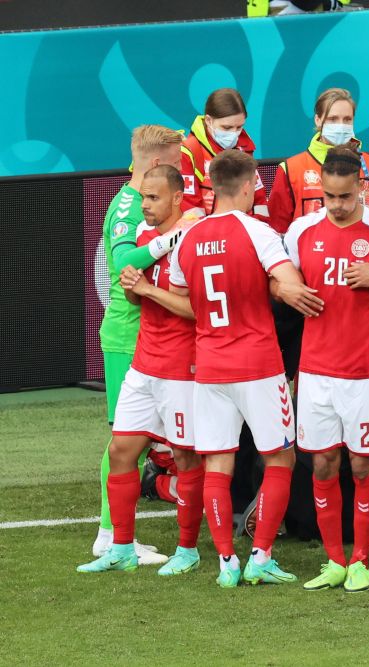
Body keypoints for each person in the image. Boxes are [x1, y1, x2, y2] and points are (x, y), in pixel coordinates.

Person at [168, 150, 320, 588]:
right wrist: (276, 284)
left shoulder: (190, 239)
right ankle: (261, 556)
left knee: (217, 461)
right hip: (258, 364)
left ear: (212, 185)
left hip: (211, 366)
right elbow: (291, 284)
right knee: (280, 457)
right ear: (252, 184)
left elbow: (185, 301)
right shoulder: (259, 232)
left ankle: (225, 563)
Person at [282, 147, 369, 592]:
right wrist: (288, 292)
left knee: (362, 466)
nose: (336, 205)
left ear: (361, 187)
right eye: (328, 196)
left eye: (344, 196)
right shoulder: (301, 230)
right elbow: (276, 276)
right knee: (323, 464)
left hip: (365, 372)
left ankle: (360, 559)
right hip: (317, 371)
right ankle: (333, 561)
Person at [79, 166, 202, 575]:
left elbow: (196, 311)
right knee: (121, 450)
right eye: (144, 197)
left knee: (185, 457)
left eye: (153, 198)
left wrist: (147, 288)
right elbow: (135, 303)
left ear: (177, 199)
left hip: (181, 368)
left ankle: (188, 550)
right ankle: (120, 548)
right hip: (144, 363)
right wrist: (135, 289)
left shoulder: (194, 241)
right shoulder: (146, 241)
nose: (145, 206)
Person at [93, 124, 184, 564]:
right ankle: (110, 536)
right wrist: (172, 238)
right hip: (128, 335)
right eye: (176, 162)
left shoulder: (134, 203)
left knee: (137, 440)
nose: (182, 170)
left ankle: (115, 534)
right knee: (126, 441)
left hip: (141, 335)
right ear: (155, 165)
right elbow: (124, 260)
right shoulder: (129, 207)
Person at [269, 88, 369, 233]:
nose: (341, 125)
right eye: (333, 119)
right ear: (318, 120)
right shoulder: (291, 169)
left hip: (366, 252)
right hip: (312, 253)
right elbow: (277, 232)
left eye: (347, 119)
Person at [180, 88, 268, 220]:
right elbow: (190, 209)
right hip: (203, 236)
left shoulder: (244, 149)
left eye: (239, 127)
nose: (234, 134)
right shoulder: (189, 152)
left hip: (243, 233)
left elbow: (259, 201)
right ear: (209, 120)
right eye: (226, 128)